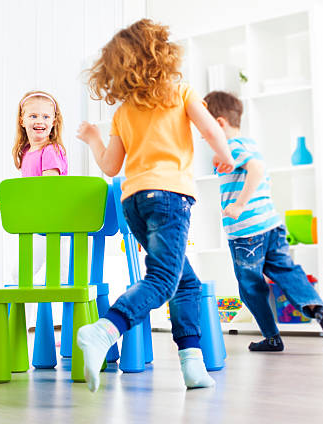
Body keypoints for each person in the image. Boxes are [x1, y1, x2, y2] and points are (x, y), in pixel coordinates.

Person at [75, 19, 235, 392]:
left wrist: (94, 139)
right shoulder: (179, 91)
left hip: (133, 201)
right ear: (162, 54)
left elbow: (111, 166)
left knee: (186, 282)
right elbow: (211, 129)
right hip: (169, 198)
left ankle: (192, 363)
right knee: (164, 280)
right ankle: (105, 329)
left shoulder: (123, 112)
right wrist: (225, 154)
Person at [203, 91, 323, 353]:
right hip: (271, 225)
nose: (201, 133)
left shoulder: (233, 147)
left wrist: (239, 205)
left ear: (219, 123)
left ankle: (272, 337)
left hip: (246, 233)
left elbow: (254, 169)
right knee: (286, 272)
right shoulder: (247, 143)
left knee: (250, 288)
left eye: (204, 126)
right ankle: (319, 310)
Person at [0, 90, 68, 290]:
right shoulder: (27, 152)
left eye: (45, 116)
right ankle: (29, 318)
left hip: (52, 225)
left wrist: (18, 197)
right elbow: (28, 189)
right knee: (20, 274)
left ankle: (53, 318)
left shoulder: (50, 150)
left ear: (54, 121)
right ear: (22, 121)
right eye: (33, 115)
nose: (39, 120)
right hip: (36, 224)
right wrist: (7, 199)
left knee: (55, 277)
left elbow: (48, 188)